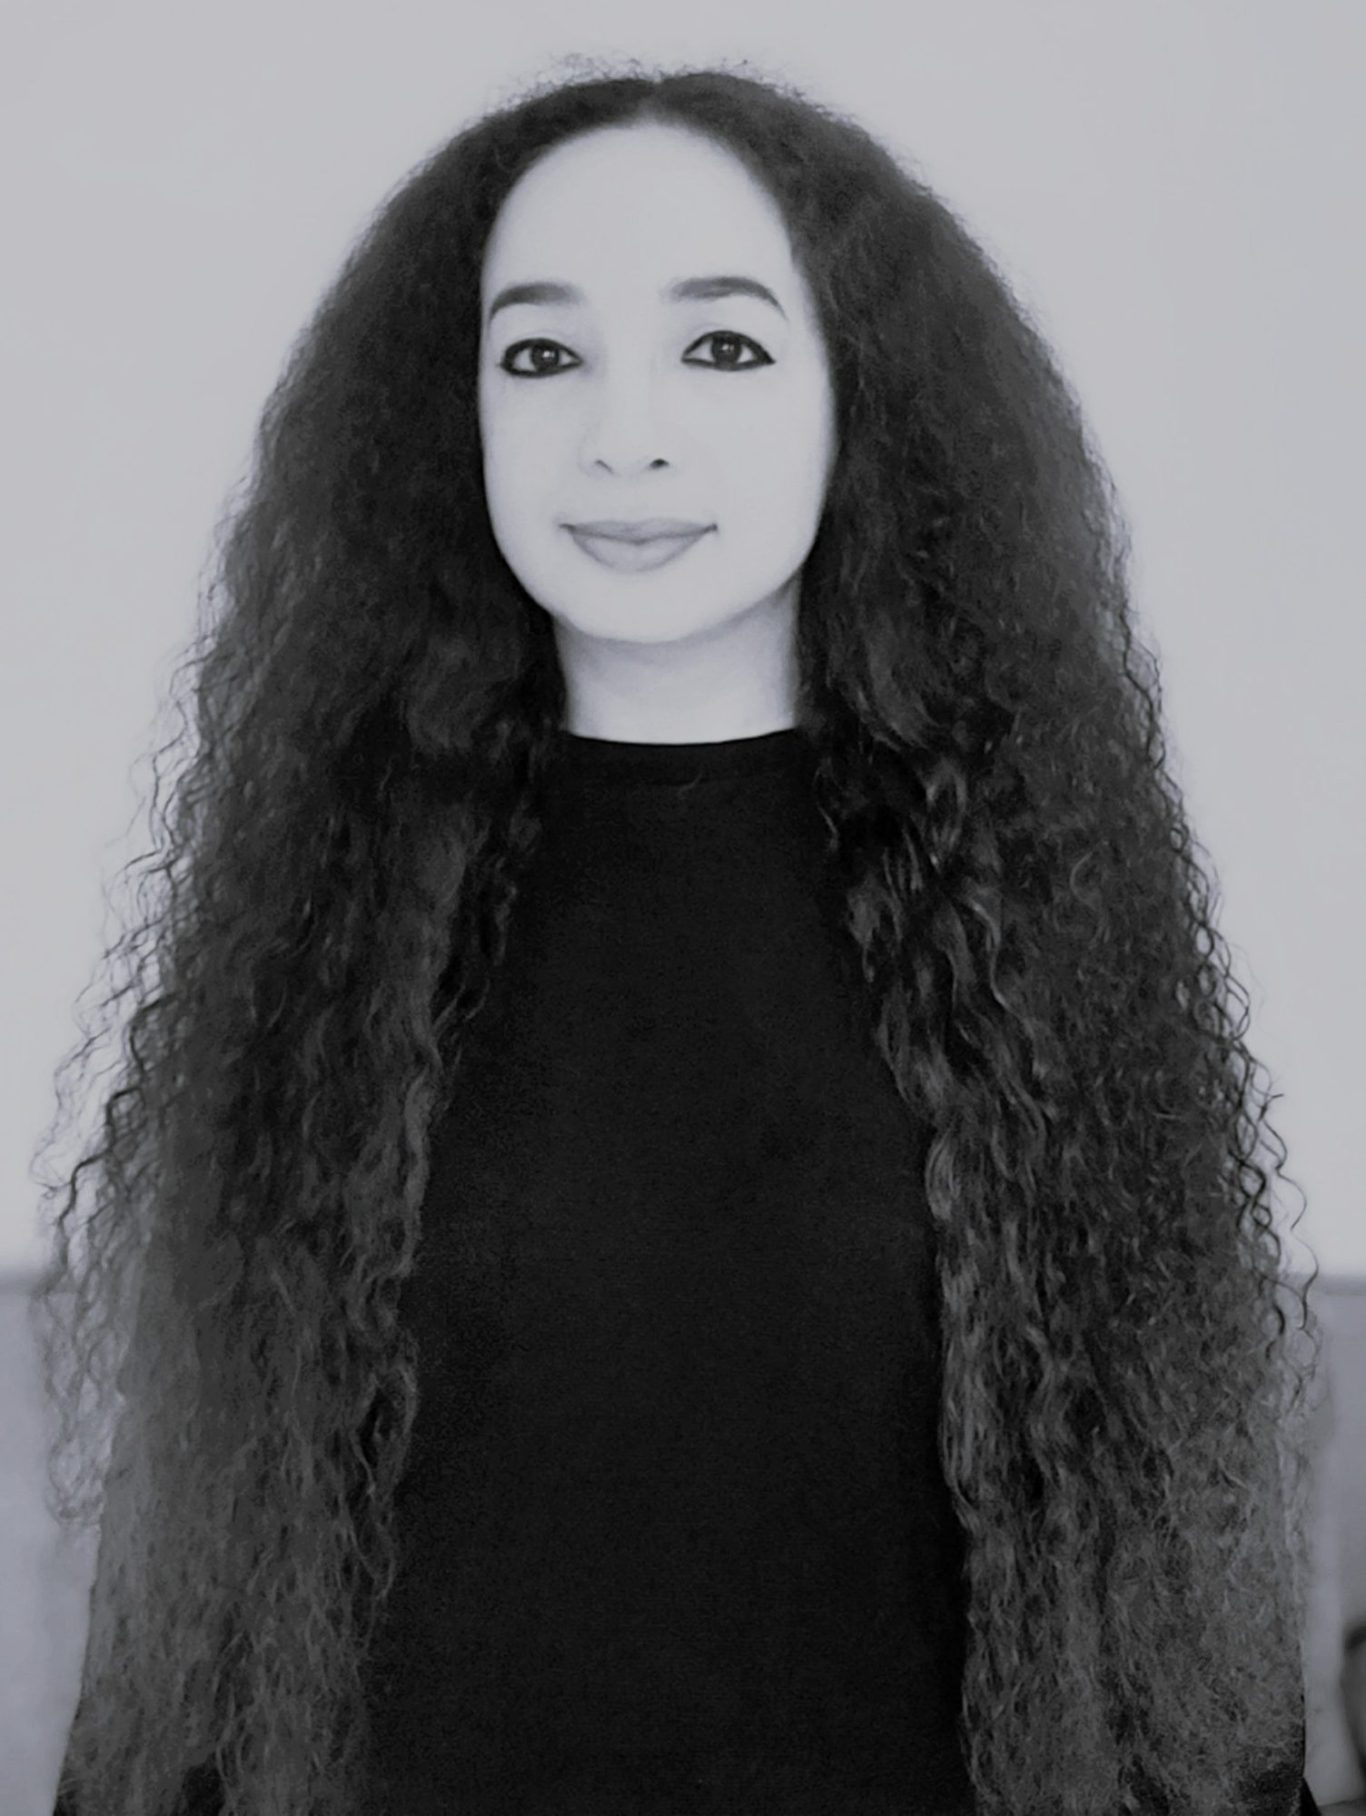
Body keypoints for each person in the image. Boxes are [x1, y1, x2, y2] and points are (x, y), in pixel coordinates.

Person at [31, 56, 1322, 1816]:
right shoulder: (321, 948)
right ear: (453, 418)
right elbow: (186, 1655)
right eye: (539, 356)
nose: (621, 434)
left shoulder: (1036, 936)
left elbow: (1175, 1653)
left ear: (861, 399)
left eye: (719, 346)